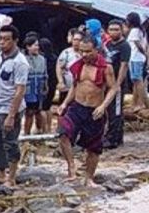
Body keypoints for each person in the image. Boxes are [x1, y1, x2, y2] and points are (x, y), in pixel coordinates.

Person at [56, 36, 116, 186]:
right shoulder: (79, 66)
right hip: (77, 106)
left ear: (96, 50)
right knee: (63, 133)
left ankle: (89, 177)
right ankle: (71, 166)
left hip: (95, 110)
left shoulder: (106, 67)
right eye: (82, 51)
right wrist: (64, 103)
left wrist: (103, 106)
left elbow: (114, 88)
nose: (84, 55)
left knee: (94, 147)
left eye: (88, 51)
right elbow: (75, 86)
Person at [0, 25, 29, 187]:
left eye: (6, 39)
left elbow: (20, 90)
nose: (2, 42)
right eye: (0, 39)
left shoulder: (20, 62)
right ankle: (0, 172)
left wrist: (11, 115)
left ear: (15, 41)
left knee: (10, 142)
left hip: (10, 107)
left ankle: (11, 176)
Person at [103, 18, 131, 150]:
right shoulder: (107, 44)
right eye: (111, 29)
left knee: (116, 111)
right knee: (109, 110)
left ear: (121, 30)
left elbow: (124, 66)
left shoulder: (124, 46)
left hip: (117, 83)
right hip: (107, 82)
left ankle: (113, 139)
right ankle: (114, 136)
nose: (113, 32)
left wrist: (117, 84)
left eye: (116, 29)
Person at [23, 38, 49, 135]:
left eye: (37, 45)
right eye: (35, 45)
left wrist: (45, 85)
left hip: (39, 88)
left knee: (39, 110)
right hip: (29, 89)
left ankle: (40, 131)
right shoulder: (23, 59)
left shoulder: (42, 59)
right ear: (28, 47)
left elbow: (45, 74)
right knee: (29, 112)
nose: (37, 47)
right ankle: (26, 133)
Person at [56, 31, 83, 106]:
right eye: (75, 39)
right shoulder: (66, 52)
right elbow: (59, 67)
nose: (76, 42)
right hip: (67, 88)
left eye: (79, 40)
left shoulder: (85, 54)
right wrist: (60, 81)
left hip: (80, 90)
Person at [127, 12, 147, 111]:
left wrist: (144, 53)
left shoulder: (134, 30)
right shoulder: (140, 30)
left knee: (138, 81)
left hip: (136, 58)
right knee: (135, 81)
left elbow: (138, 44)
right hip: (137, 58)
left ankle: (144, 103)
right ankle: (135, 104)